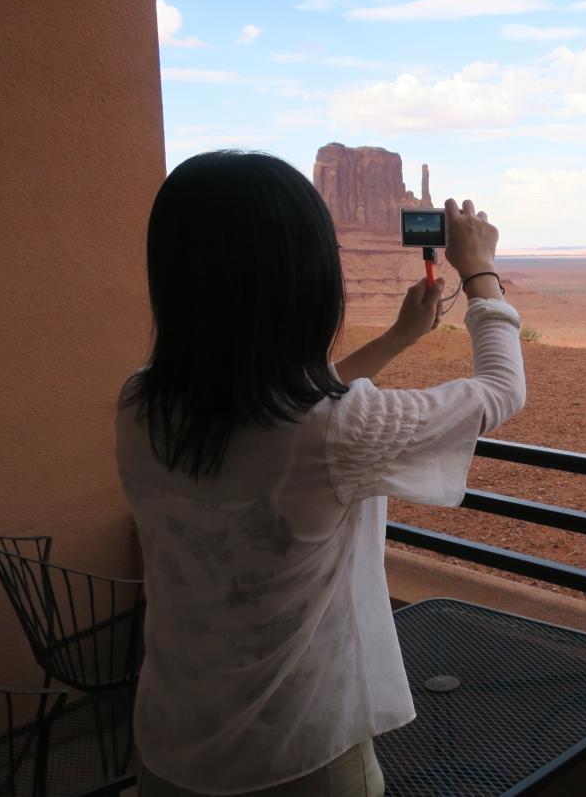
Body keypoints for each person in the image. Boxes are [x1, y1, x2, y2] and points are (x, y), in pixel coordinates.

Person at [116, 151, 525, 795]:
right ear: (301, 280)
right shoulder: (334, 430)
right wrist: (480, 272)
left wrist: (396, 339)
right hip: (301, 758)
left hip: (172, 748)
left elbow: (278, 409)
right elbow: (500, 391)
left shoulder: (142, 400)